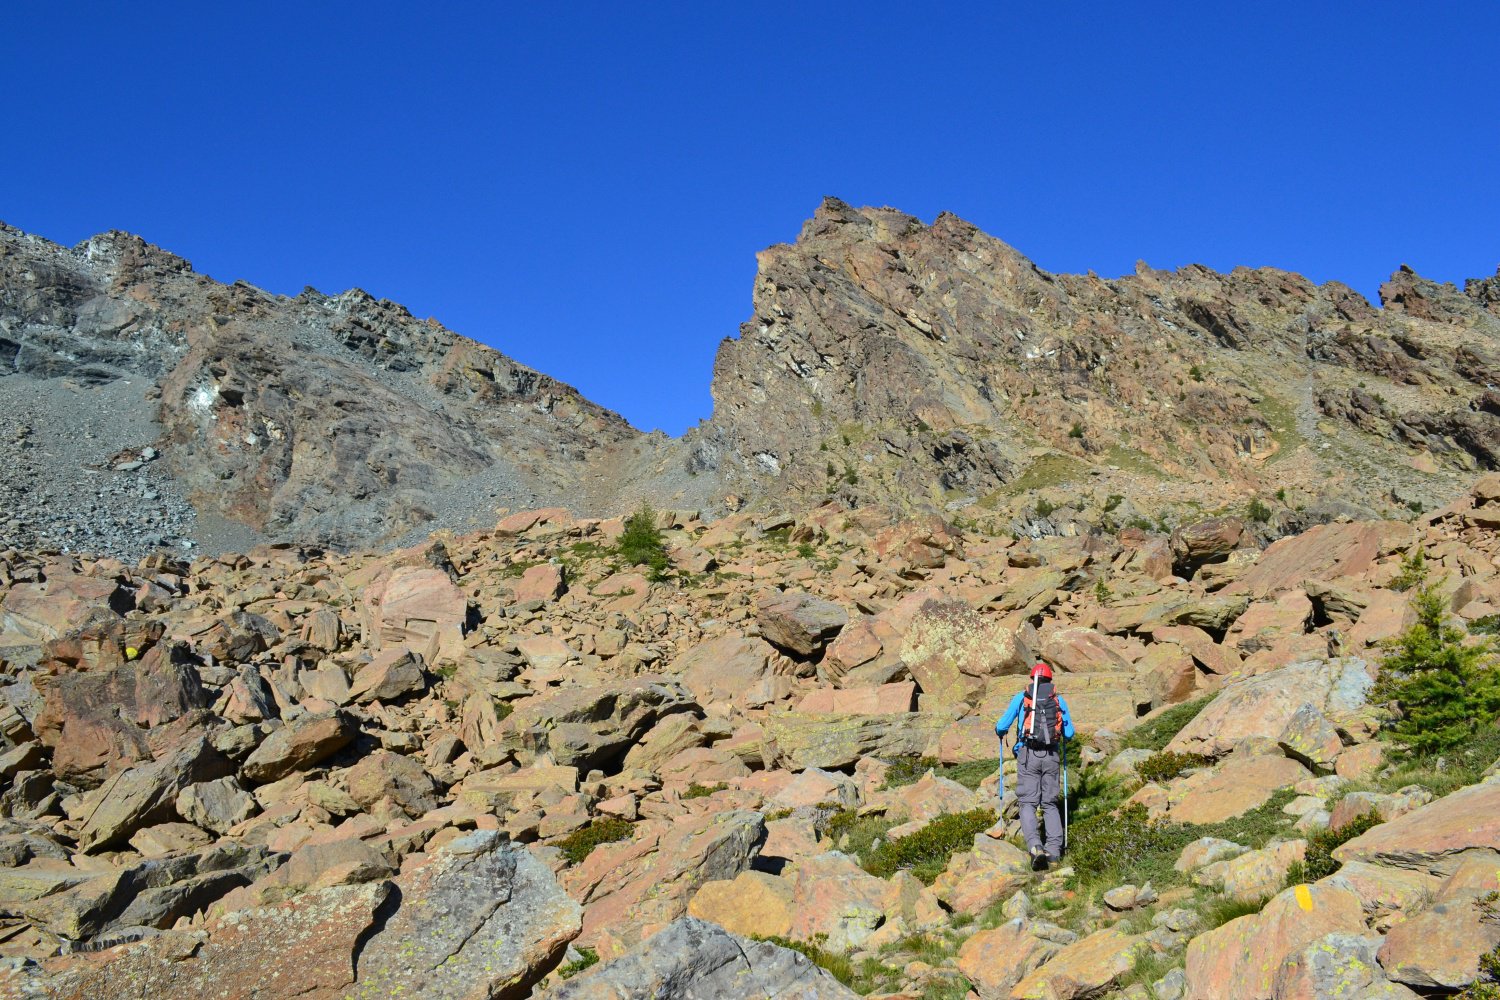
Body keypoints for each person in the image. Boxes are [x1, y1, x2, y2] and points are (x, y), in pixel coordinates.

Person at [995, 661, 1075, 871]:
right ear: (1051, 679)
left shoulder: (1022, 698)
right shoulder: (1058, 700)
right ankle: (1054, 852)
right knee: (1049, 803)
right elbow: (1069, 733)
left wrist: (1002, 733)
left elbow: (1001, 726)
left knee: (1028, 803)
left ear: (1032, 679)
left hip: (1028, 755)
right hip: (1051, 756)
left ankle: (1034, 847)